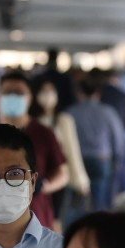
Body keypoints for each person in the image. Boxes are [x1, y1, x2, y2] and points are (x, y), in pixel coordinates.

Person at [0, 72, 68, 229]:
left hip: (36, 216)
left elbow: (63, 174)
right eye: (7, 92)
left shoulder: (43, 133)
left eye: (19, 93)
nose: (12, 96)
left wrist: (43, 185)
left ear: (30, 98)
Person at [31, 79, 90, 226]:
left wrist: (81, 180)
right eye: (43, 91)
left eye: (51, 91)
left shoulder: (64, 120)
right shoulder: (31, 122)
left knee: (56, 221)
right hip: (38, 179)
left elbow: (72, 151)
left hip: (60, 179)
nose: (47, 95)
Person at [64, 76, 125, 211]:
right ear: (98, 93)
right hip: (102, 159)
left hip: (77, 160)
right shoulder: (108, 112)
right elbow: (118, 139)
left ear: (79, 93)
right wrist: (117, 160)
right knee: (99, 201)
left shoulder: (70, 112)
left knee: (77, 202)